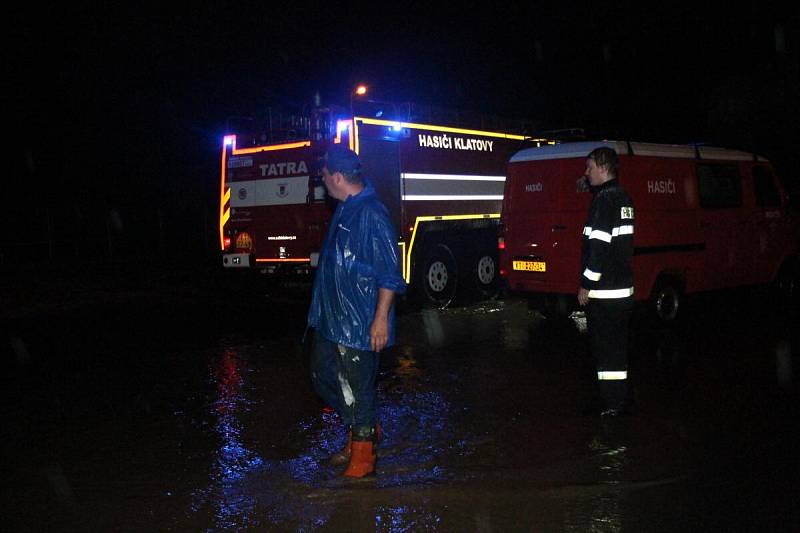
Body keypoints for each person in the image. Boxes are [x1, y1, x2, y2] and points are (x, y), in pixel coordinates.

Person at [306, 146, 406, 477]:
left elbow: (390, 273)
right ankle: (361, 429)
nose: (321, 180)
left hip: (360, 321)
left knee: (359, 388)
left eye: (323, 174)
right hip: (332, 318)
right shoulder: (345, 207)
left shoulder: (371, 214)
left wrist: (380, 320)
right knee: (323, 376)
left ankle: (363, 455)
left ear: (337, 177)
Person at [577, 147, 635, 416]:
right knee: (617, 350)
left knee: (606, 351)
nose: (586, 173)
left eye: (589, 167)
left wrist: (586, 284)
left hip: (605, 293)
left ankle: (611, 405)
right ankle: (618, 400)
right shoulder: (623, 197)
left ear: (602, 167)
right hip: (622, 292)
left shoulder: (604, 200)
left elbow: (598, 248)